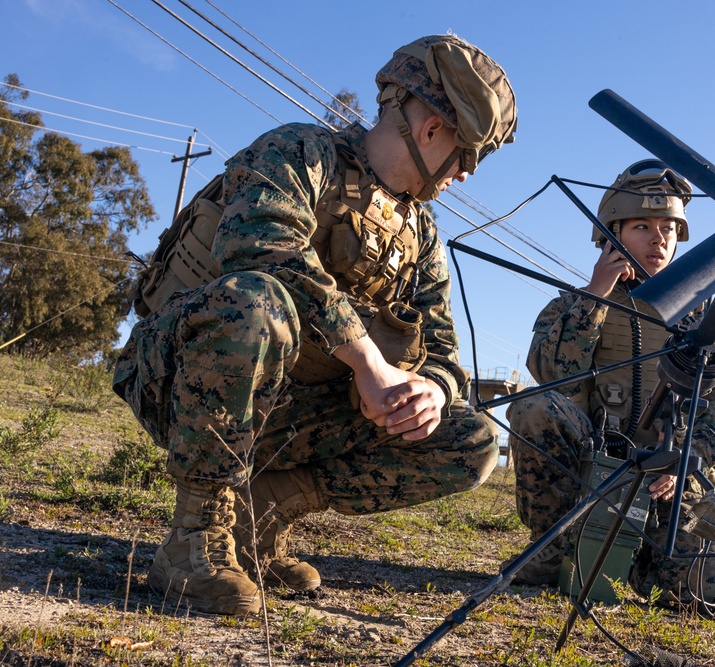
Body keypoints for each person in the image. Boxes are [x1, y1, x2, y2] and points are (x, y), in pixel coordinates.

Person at [112, 34, 517, 615]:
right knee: (256, 303)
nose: (466, 176)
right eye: (469, 157)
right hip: (181, 382)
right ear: (432, 131)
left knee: (469, 437)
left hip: (289, 412)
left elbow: (445, 350)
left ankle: (256, 522)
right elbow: (259, 247)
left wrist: (432, 388)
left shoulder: (421, 237)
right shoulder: (299, 152)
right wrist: (368, 361)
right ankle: (193, 538)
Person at [506, 160, 715, 610]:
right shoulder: (574, 304)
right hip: (587, 474)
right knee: (533, 406)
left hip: (665, 485)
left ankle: (641, 567)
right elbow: (550, 375)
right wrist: (596, 295)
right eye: (642, 225)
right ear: (611, 233)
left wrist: (681, 462)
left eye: (670, 228)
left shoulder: (710, 324)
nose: (659, 238)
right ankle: (553, 547)